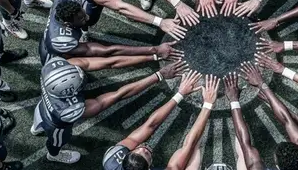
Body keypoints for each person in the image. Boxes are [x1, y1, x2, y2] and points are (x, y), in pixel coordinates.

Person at [31, 58, 185, 164]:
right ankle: (54, 154)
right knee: (57, 140)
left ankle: (36, 128)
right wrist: (158, 76)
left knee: (39, 117)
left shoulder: (49, 74)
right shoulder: (70, 109)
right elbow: (118, 95)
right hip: (57, 125)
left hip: (43, 106)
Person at [38, 0, 181, 65]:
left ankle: (82, 32)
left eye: (82, 12)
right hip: (56, 55)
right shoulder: (61, 41)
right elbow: (109, 51)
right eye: (81, 18)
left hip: (61, 36)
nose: (86, 17)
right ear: (68, 24)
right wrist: (155, 50)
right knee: (82, 72)